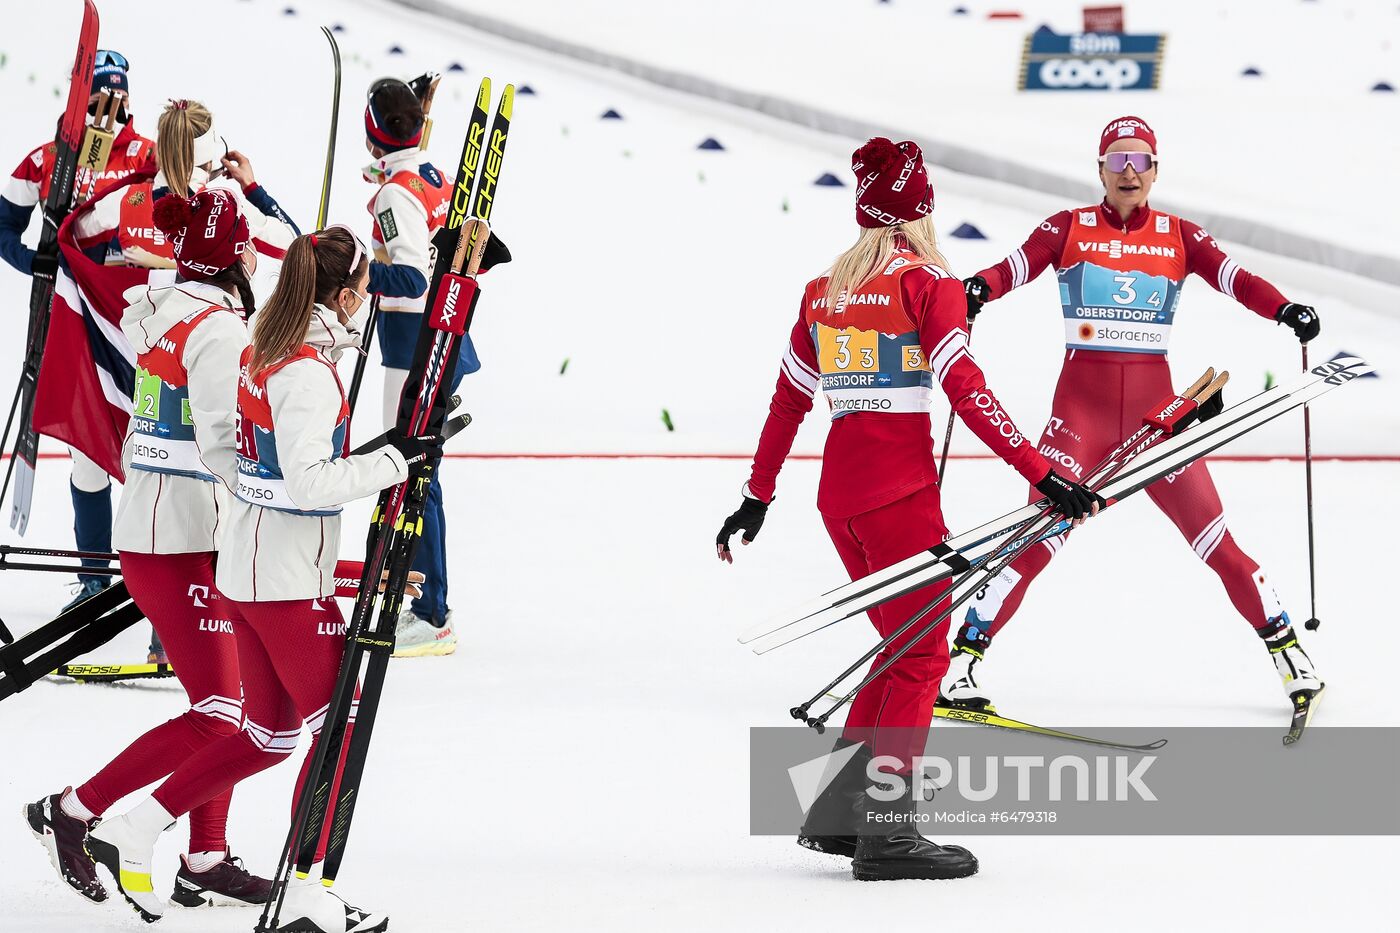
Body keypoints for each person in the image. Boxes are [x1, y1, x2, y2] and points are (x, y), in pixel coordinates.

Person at [715, 138, 1100, 882]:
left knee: (898, 647)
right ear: (921, 209)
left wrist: (756, 495)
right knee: (922, 653)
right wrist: (1042, 471)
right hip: (899, 497)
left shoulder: (823, 289)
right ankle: (889, 832)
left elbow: (790, 398)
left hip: (843, 502)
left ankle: (836, 816)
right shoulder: (929, 284)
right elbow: (967, 389)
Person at [82, 227, 440, 932]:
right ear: (340, 294)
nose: (364, 301)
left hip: (247, 570)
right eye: (363, 291)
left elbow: (242, 446)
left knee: (269, 734)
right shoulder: (302, 368)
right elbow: (308, 480)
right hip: (281, 582)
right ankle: (308, 893)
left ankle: (134, 825)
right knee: (341, 726)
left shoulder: (264, 346)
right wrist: (393, 462)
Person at [942, 115, 1324, 713]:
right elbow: (1016, 265)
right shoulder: (1068, 227)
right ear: (1099, 168)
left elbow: (1236, 279)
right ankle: (961, 663)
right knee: (1033, 542)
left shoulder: (1181, 235)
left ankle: (1290, 656)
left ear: (1155, 170)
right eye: (1116, 160)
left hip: (1157, 426)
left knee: (1218, 544)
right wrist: (978, 289)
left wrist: (1285, 309)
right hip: (1080, 420)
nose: (1128, 172)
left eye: (1139, 161)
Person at [23, 188, 273, 912]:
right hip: (182, 538)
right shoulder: (220, 332)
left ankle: (205, 855)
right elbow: (229, 446)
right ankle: (72, 811)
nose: (257, 254)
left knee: (227, 705)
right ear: (233, 258)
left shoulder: (164, 307)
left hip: (169, 528)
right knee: (226, 712)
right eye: (248, 245)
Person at [69, 96, 298, 662]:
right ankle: (184, 635)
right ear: (212, 147)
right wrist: (258, 186)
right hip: (211, 349)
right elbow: (294, 245)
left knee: (150, 475)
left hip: (145, 353)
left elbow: (78, 233)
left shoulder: (133, 200)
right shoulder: (227, 201)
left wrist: (109, 270)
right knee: (214, 488)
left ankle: (133, 603)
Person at [0, 50, 153, 615]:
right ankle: (94, 579)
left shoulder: (149, 157)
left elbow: (176, 220)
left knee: (148, 455)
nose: (106, 113)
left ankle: (154, 586)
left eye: (116, 98)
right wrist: (37, 261)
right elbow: (4, 224)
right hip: (70, 325)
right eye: (95, 100)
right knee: (87, 450)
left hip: (135, 328)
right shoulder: (46, 161)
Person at [361, 75, 476, 657]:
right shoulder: (425, 174)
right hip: (437, 339)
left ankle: (430, 614)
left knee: (410, 475)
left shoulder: (393, 195)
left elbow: (409, 276)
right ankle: (419, 596)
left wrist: (356, 270)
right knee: (415, 475)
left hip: (411, 349)